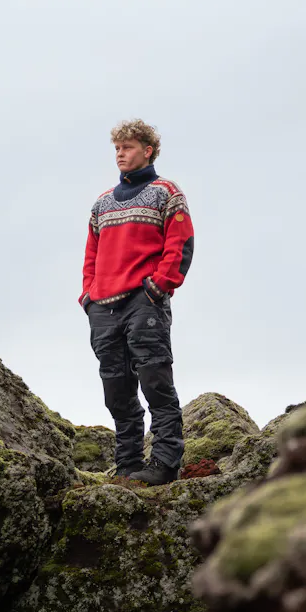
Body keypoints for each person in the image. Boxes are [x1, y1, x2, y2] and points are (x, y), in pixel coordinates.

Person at [78, 119, 195, 486]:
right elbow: (91, 254)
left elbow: (180, 245)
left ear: (148, 150)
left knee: (155, 382)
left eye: (127, 148)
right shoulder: (102, 203)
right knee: (116, 390)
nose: (120, 154)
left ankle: (165, 463)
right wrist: (88, 296)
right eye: (117, 148)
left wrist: (158, 288)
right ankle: (128, 465)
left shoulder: (166, 193)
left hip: (144, 302)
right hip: (103, 307)